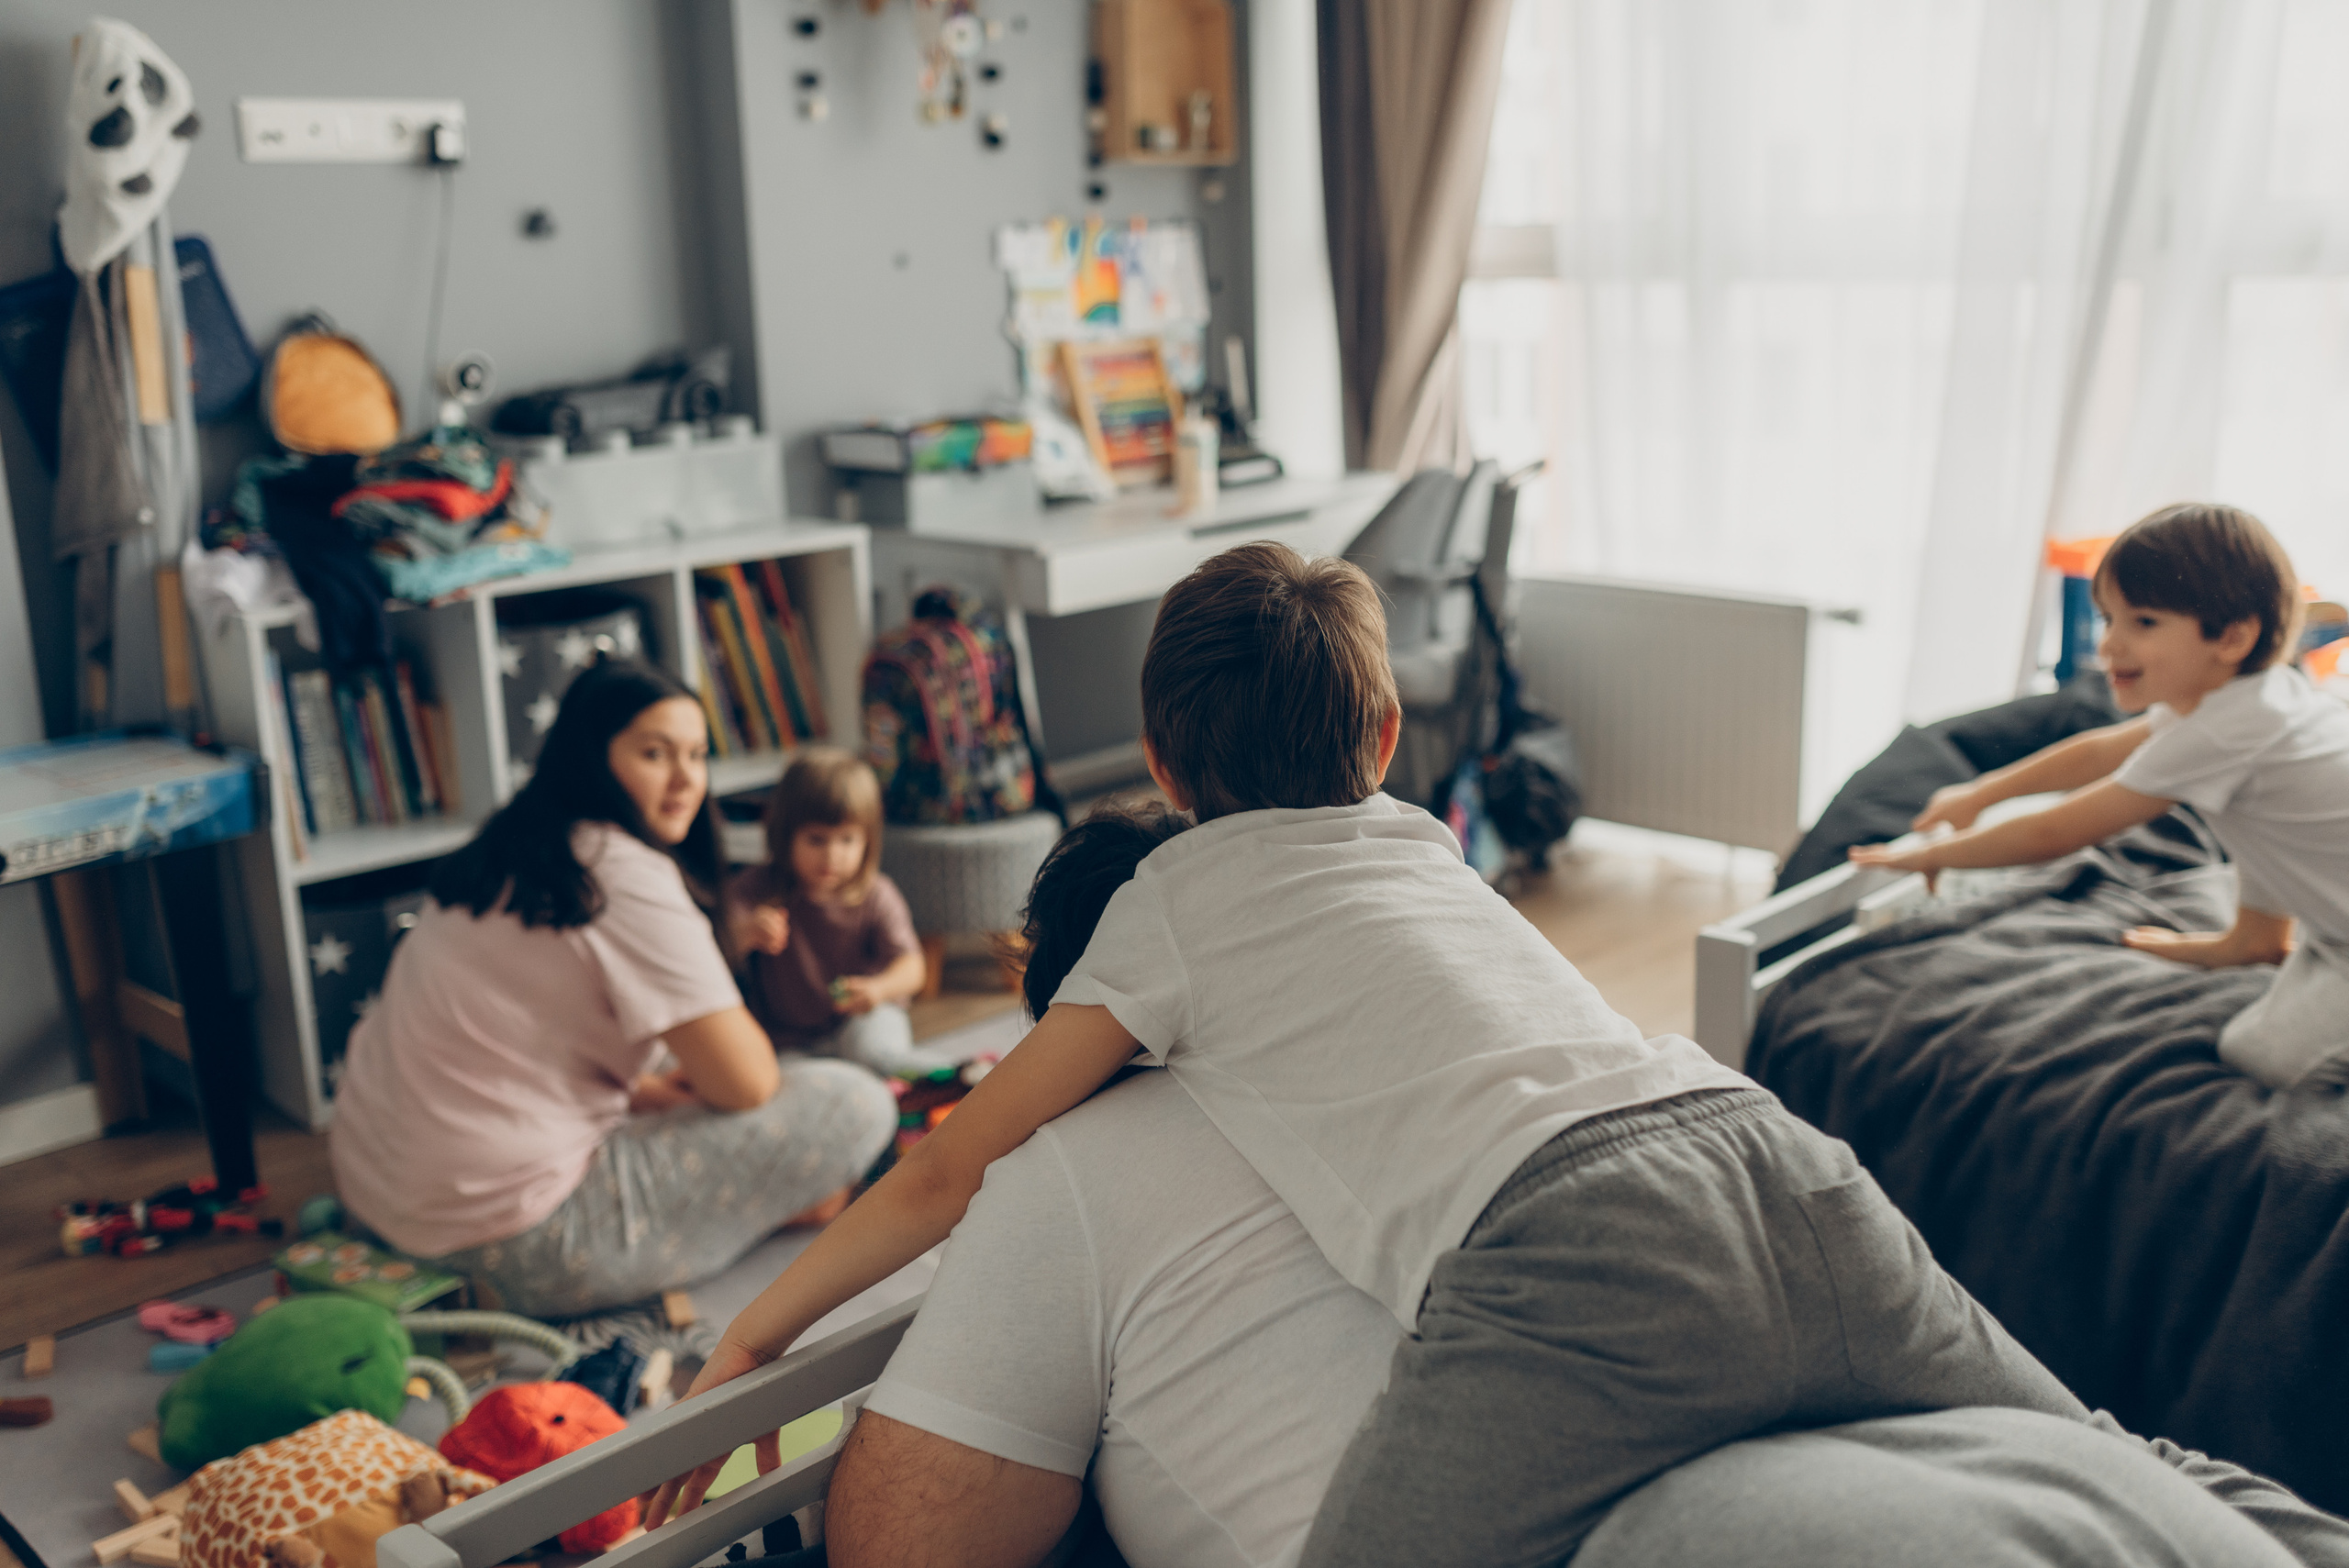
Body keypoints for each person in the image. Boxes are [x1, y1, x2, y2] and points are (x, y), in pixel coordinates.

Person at [647, 542, 2080, 1568]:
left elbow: (952, 1165)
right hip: (1769, 1148)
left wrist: (756, 1330)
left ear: (1158, 765)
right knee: (2101, 1466)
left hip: (1569, 1238)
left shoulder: (1173, 902)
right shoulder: (1431, 850)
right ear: (1388, 739)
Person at [822, 803, 2349, 1568]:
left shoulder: (1065, 1178)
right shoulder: (1520, 1043)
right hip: (1947, 1446)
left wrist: (766, 1351)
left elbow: (902, 1546)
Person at [329, 660, 896, 1318]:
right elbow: (747, 1083)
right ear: (592, 759)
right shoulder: (621, 874)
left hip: (374, 1192)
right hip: (511, 1241)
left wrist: (646, 1087)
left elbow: (518, 1032)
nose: (687, 778)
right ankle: (768, 1215)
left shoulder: (508, 845)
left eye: (697, 754)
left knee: (673, 1076)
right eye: (656, 754)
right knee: (856, 1101)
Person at [1853, 502, 2349, 1088]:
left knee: (2256, 1052)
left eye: (2142, 623)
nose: (2108, 645)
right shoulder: (2259, 697)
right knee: (2266, 825)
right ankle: (2255, 940)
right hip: (2329, 917)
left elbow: (2057, 831)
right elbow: (2095, 751)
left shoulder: (2220, 732)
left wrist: (1933, 855)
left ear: (2233, 638)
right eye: (2108, 618)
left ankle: (2265, 945)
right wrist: (1980, 792)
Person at [727, 748, 949, 1078]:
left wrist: (879, 989)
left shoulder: (876, 894)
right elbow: (712, 954)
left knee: (878, 1055)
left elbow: (913, 967)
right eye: (816, 840)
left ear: (868, 841)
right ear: (785, 835)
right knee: (792, 1084)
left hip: (863, 1020)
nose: (832, 855)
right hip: (788, 1042)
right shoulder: (754, 889)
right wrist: (746, 933)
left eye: (847, 840)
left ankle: (965, 1078)